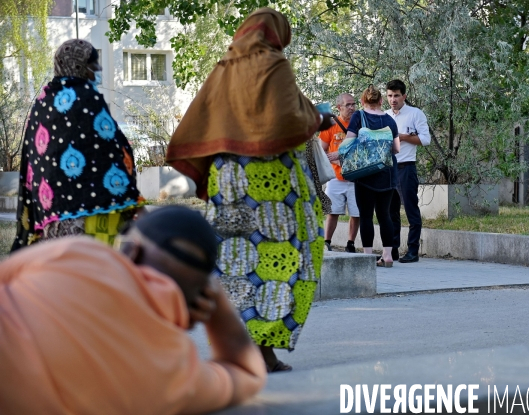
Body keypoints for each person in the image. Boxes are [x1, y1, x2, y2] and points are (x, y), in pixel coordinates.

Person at [166, 8, 333, 373]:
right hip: (275, 186)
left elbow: (200, 120)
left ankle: (232, 345)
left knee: (232, 263)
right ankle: (264, 351)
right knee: (287, 260)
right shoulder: (274, 64)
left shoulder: (224, 68)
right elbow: (291, 118)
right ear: (277, 33)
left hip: (229, 183)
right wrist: (318, 118)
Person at [0, 205, 267, 414]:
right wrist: (217, 301)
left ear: (131, 251)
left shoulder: (78, 253)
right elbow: (247, 371)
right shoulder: (172, 376)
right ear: (196, 300)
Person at [11, 39, 143, 252]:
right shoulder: (87, 97)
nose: (98, 69)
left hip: (51, 220)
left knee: (65, 279)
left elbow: (31, 161)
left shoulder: (42, 102)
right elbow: (112, 148)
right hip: (96, 213)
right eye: (94, 64)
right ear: (80, 66)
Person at [332, 85, 400, 266]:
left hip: (366, 174)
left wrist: (337, 154)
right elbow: (396, 149)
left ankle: (368, 257)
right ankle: (387, 255)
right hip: (387, 174)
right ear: (381, 101)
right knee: (385, 215)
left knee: (366, 215)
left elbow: (348, 142)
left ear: (362, 101)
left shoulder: (358, 116)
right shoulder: (390, 120)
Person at [385, 79, 431, 263]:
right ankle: (393, 249)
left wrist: (403, 137)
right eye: (389, 95)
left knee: (411, 210)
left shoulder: (415, 114)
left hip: (406, 167)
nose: (393, 99)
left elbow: (425, 139)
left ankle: (413, 251)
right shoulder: (385, 115)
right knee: (390, 212)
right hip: (388, 168)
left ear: (404, 96)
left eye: (396, 95)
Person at [319, 93, 360, 252]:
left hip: (356, 178)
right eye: (348, 105)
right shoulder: (330, 125)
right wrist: (336, 161)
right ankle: (327, 241)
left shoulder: (360, 124)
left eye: (353, 104)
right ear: (339, 107)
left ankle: (350, 243)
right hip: (335, 178)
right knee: (333, 211)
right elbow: (321, 152)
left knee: (356, 213)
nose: (352, 108)